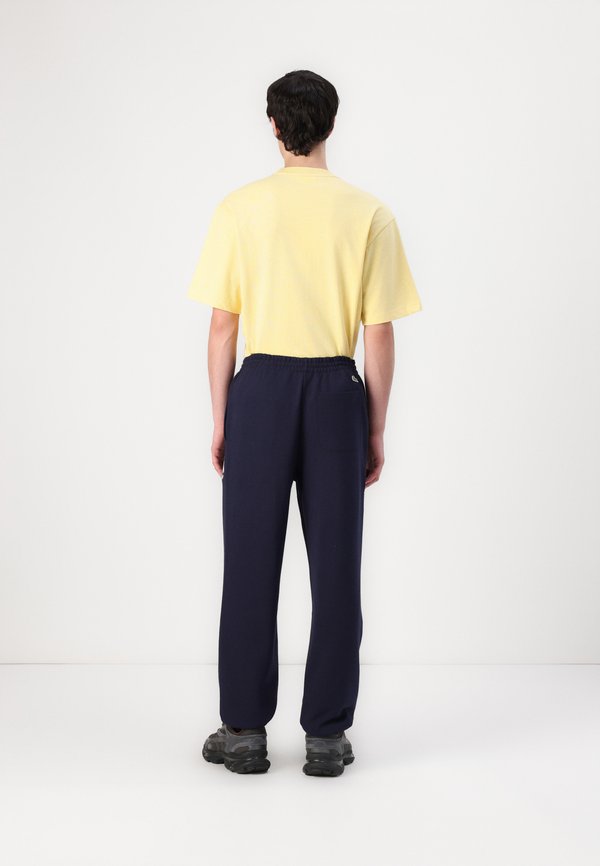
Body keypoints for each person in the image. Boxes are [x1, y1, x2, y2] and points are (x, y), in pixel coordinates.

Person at [187, 69, 422, 776]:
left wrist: (222, 417)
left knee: (249, 564)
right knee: (337, 568)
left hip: (259, 391)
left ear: (273, 125)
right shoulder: (368, 213)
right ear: (331, 124)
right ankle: (325, 734)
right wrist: (374, 427)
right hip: (335, 394)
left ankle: (243, 730)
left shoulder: (240, 208)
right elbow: (379, 332)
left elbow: (223, 326)